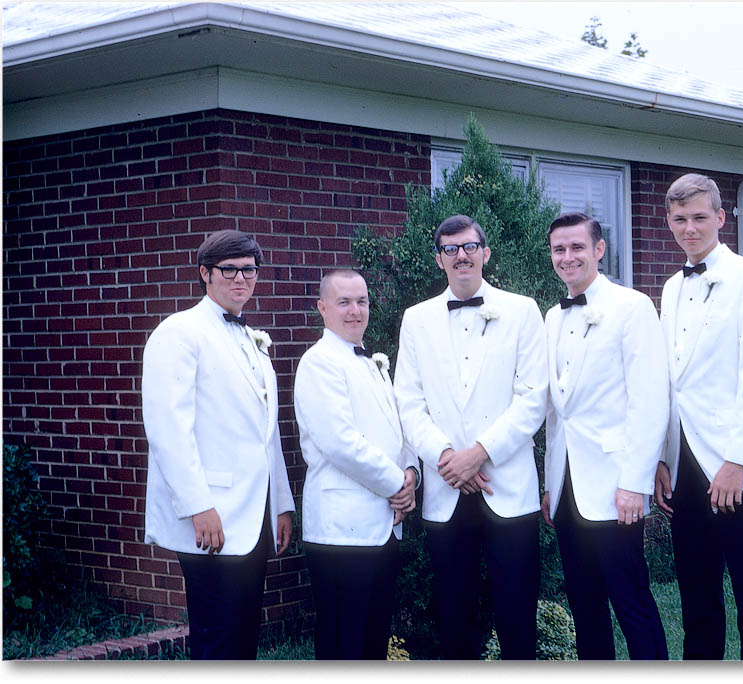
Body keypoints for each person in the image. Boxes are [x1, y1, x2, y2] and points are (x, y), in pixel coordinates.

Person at [393, 214, 548, 659]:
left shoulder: (522, 311)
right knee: (454, 615)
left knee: (517, 614)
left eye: (469, 246)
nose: (461, 255)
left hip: (507, 487)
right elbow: (408, 402)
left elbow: (533, 398)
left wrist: (478, 454)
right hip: (446, 490)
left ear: (485, 252)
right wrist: (448, 459)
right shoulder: (416, 319)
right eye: (450, 248)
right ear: (438, 259)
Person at [141, 229, 295, 660]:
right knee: (216, 641)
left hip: (253, 517)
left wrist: (279, 505)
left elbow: (268, 433)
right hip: (211, 518)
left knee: (245, 637)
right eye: (229, 270)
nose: (241, 279)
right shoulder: (179, 332)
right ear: (205, 273)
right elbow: (168, 429)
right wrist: (197, 505)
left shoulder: (253, 341)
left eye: (249, 270)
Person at [654, 173, 743, 660]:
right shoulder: (669, 288)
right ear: (668, 221)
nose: (690, 228)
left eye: (700, 218)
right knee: (697, 593)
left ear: (721, 218)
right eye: (680, 219)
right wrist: (662, 458)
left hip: (737, 467)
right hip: (685, 465)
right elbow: (672, 384)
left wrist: (736, 460)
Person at [542, 211, 669, 660]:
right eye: (559, 249)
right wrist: (550, 484)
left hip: (617, 488)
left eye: (577, 247)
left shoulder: (631, 307)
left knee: (631, 601)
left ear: (599, 249)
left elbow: (650, 402)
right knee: (584, 607)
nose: (568, 256)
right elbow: (558, 414)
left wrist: (634, 482)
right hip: (568, 490)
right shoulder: (552, 318)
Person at [293, 269, 418, 660]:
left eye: (361, 301)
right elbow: (340, 442)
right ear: (322, 308)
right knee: (341, 645)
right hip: (340, 533)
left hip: (382, 527)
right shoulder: (319, 363)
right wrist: (398, 484)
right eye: (344, 302)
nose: (354, 310)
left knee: (372, 644)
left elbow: (398, 430)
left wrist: (411, 472)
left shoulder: (372, 362)